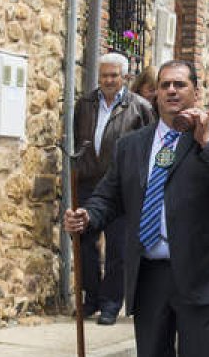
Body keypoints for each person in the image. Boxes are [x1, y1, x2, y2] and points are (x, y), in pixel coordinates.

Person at [64, 60, 209, 357]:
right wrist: (87, 216)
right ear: (157, 94)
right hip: (149, 276)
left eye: (180, 85)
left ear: (196, 92)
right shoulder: (132, 145)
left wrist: (206, 143)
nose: (171, 91)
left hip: (201, 275)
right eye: (165, 85)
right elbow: (108, 197)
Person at [72, 52, 155, 324]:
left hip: (121, 185)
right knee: (83, 243)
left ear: (124, 76)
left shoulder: (139, 107)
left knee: (118, 247)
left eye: (114, 75)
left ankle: (110, 303)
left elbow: (149, 145)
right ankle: (92, 297)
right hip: (88, 183)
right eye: (104, 75)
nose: (108, 80)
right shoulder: (84, 104)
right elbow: (78, 140)